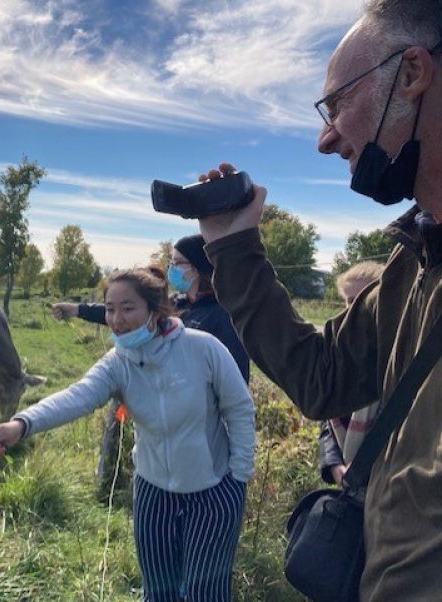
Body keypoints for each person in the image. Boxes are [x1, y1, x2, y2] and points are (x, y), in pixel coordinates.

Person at [194, 2, 442, 599]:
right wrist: (232, 247)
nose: (326, 140)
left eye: (337, 105)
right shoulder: (416, 261)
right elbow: (321, 377)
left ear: (411, 73)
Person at [0, 266, 256, 602]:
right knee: (158, 592)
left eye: (128, 308)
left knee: (206, 593)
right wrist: (22, 424)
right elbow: (78, 396)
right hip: (153, 493)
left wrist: (238, 476)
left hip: (213, 491)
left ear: (154, 310)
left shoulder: (204, 349)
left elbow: (240, 409)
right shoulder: (118, 362)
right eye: (110, 309)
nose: (116, 319)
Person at [52, 234, 249, 383]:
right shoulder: (176, 304)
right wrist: (78, 310)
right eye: (170, 262)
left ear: (196, 269)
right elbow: (129, 316)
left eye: (177, 263)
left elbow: (236, 378)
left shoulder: (223, 315)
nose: (171, 268)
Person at [319, 262, 385, 486]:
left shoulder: (398, 351)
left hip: (390, 485)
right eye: (349, 301)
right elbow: (328, 418)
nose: (353, 310)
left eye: (363, 300)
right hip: (348, 484)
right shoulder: (339, 354)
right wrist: (335, 466)